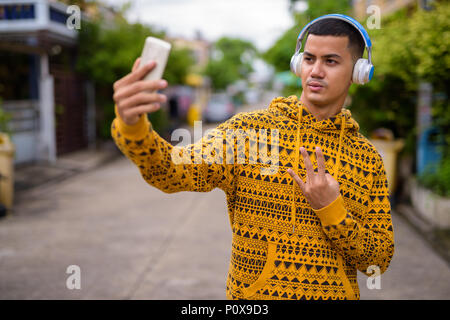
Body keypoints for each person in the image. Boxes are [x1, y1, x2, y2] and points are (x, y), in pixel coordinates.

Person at [111, 15, 394, 300]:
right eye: (309, 59)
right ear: (299, 63)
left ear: (358, 71)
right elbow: (172, 172)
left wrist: (332, 210)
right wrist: (133, 126)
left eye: (330, 61)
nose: (315, 71)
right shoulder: (249, 132)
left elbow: (377, 262)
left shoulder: (367, 158)